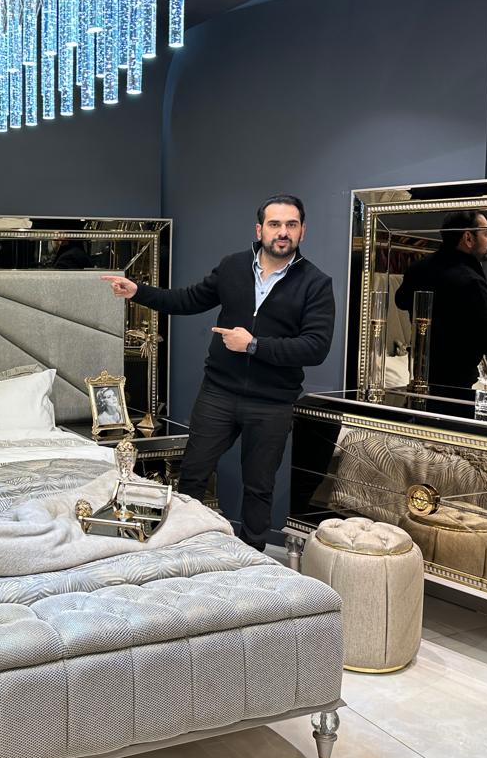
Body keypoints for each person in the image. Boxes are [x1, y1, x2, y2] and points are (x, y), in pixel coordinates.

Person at [102, 194, 335, 552]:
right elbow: (188, 299)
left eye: (291, 225)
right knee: (193, 474)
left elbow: (315, 347)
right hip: (219, 394)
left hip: (272, 403)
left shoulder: (316, 283)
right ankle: (182, 549)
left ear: (303, 230)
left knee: (259, 487)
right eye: (275, 224)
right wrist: (139, 292)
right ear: (260, 230)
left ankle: (251, 562)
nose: (282, 232)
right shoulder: (233, 266)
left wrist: (254, 344)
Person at [395, 209, 487, 394]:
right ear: (468, 238)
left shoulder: (417, 269)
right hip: (456, 390)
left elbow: (401, 301)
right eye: (486, 234)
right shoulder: (471, 282)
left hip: (419, 381)